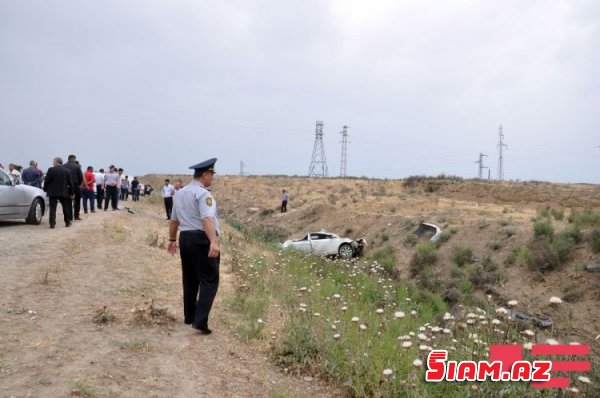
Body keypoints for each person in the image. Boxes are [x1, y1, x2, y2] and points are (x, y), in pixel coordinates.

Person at [167, 158, 220, 334]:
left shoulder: (180, 193)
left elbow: (174, 220)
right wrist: (213, 241)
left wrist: (172, 240)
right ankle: (200, 320)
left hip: (185, 237)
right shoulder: (204, 194)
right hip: (200, 239)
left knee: (189, 278)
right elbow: (207, 219)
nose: (212, 178)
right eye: (211, 174)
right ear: (204, 175)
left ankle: (190, 315)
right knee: (209, 280)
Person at [44, 157, 74, 228]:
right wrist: (72, 193)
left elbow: (47, 181)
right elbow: (70, 183)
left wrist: (45, 189)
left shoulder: (51, 170)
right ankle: (67, 222)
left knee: (52, 208)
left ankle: (52, 224)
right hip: (63, 192)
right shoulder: (67, 171)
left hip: (53, 192)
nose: (53, 163)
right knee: (65, 207)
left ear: (57, 162)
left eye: (54, 161)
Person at [63, 154, 83, 221]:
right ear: (74, 159)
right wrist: (79, 184)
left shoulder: (63, 166)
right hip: (75, 186)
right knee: (77, 201)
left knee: (68, 202)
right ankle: (76, 215)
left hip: (66, 186)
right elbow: (80, 177)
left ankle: (69, 217)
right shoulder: (77, 167)